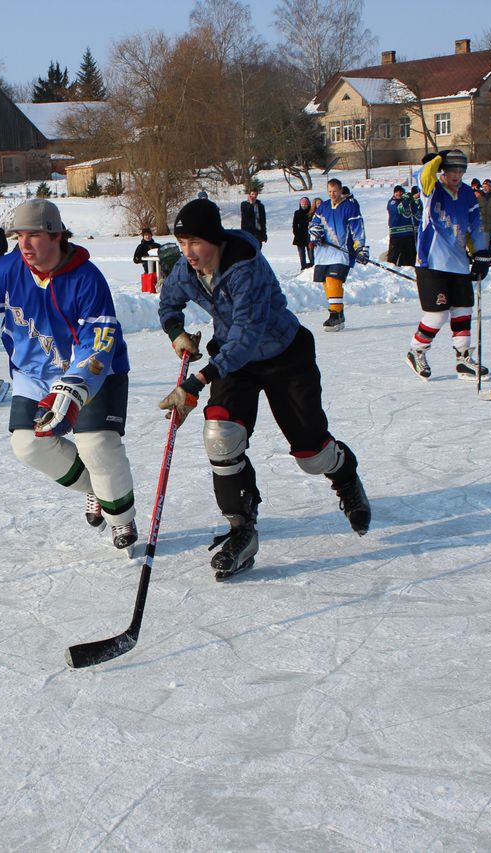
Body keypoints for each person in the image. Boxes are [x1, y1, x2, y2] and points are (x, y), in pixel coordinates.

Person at [156, 198, 371, 579]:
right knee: (220, 435)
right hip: (234, 362)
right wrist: (176, 333)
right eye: (182, 242)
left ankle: (345, 474)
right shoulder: (187, 270)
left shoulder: (246, 267)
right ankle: (242, 530)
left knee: (312, 455)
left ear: (215, 240)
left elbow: (246, 337)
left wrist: (197, 381)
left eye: (196, 242)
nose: (188, 252)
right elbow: (168, 303)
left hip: (284, 356)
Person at [0, 198, 140, 551]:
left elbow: (98, 339)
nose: (24, 244)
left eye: (34, 235)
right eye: (19, 236)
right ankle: (96, 489)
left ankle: (121, 518)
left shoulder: (87, 279)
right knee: (28, 445)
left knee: (97, 446)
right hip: (33, 372)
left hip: (94, 372)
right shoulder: (5, 271)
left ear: (57, 236)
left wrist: (75, 385)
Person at [404, 149, 491, 381]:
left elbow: (476, 225)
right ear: (443, 169)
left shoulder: (467, 194)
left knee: (463, 311)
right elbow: (424, 173)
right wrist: (438, 159)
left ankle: (463, 358)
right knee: (437, 315)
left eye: (461, 171)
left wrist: (481, 254)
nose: (456, 175)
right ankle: (417, 351)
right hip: (432, 263)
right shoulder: (431, 189)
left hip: (459, 263)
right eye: (452, 170)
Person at [308, 177, 366, 331]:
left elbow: (357, 229)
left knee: (333, 280)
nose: (332, 194)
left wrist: (360, 248)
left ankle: (334, 314)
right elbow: (314, 224)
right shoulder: (323, 207)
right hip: (323, 252)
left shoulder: (350, 207)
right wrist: (315, 233)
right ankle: (339, 313)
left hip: (341, 252)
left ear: (341, 190)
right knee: (326, 283)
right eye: (329, 191)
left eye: (334, 191)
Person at [385, 185, 417, 267]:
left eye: (400, 192)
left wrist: (412, 201)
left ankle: (408, 271)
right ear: (394, 193)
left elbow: (415, 211)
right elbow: (399, 210)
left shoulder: (406, 201)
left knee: (409, 259)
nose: (399, 193)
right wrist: (406, 200)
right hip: (396, 235)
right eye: (397, 192)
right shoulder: (392, 202)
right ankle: (389, 271)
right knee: (393, 258)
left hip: (408, 234)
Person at [291, 198, 314, 269]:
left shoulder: (311, 212)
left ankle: (312, 266)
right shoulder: (297, 213)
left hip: (309, 235)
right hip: (299, 236)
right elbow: (294, 224)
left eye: (305, 205)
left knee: (311, 253)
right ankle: (303, 267)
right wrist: (295, 232)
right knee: (301, 254)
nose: (304, 206)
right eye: (302, 204)